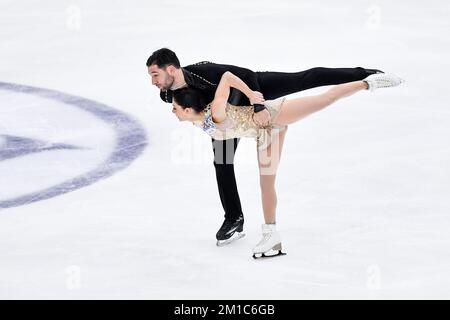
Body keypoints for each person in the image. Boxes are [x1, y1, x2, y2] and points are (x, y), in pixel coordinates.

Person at [147, 48, 384, 246]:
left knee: (302, 79)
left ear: (171, 69)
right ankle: (234, 219)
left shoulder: (202, 73)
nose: (153, 82)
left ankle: (363, 75)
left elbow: (243, 74)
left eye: (155, 75)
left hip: (253, 91)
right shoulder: (167, 95)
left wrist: (257, 104)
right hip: (228, 122)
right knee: (222, 163)